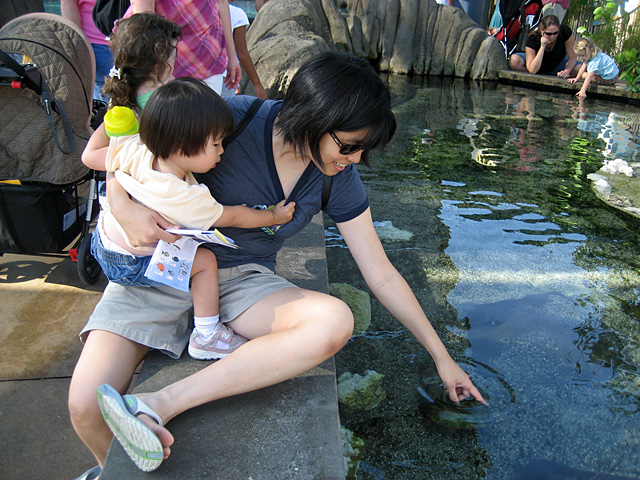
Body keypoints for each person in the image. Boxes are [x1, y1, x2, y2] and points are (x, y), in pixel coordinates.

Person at [68, 51, 487, 476]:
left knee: (333, 321)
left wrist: (441, 356)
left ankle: (160, 404)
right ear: (314, 118)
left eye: (362, 149)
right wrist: (121, 204)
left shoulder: (336, 177)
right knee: (85, 406)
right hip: (156, 267)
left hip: (239, 279)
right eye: (349, 146)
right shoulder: (228, 119)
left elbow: (379, 271)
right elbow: (129, 148)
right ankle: (109, 470)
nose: (355, 159)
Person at [82, 77, 295, 365]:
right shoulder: (186, 198)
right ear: (183, 146)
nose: (222, 151)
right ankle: (207, 336)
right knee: (205, 261)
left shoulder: (137, 149)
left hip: (101, 243)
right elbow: (233, 215)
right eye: (216, 144)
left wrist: (111, 126)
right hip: (132, 263)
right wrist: (272, 216)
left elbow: (91, 155)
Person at [126, 0, 241, 95]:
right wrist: (163, 75)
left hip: (210, 57)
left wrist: (232, 56)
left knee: (208, 119)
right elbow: (145, 28)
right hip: (167, 67)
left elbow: (222, 3)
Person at [102, 12, 181, 111]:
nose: (174, 61)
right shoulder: (167, 102)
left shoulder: (122, 88)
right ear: (157, 67)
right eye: (173, 58)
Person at [60, 0, 112, 101]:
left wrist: (77, 45)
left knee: (106, 107)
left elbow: (68, 3)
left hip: (95, 42)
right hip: (100, 44)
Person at [509, 14, 580, 78]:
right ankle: (536, 76)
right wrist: (542, 46)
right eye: (548, 34)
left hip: (557, 64)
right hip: (537, 64)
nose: (552, 37)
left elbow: (573, 57)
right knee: (515, 61)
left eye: (555, 33)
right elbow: (532, 70)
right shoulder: (533, 38)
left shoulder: (565, 31)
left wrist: (566, 71)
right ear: (541, 30)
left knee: (579, 68)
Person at [221, 0, 267, 99]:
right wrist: (257, 83)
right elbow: (242, 53)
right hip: (226, 77)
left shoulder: (206, 10)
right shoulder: (237, 14)